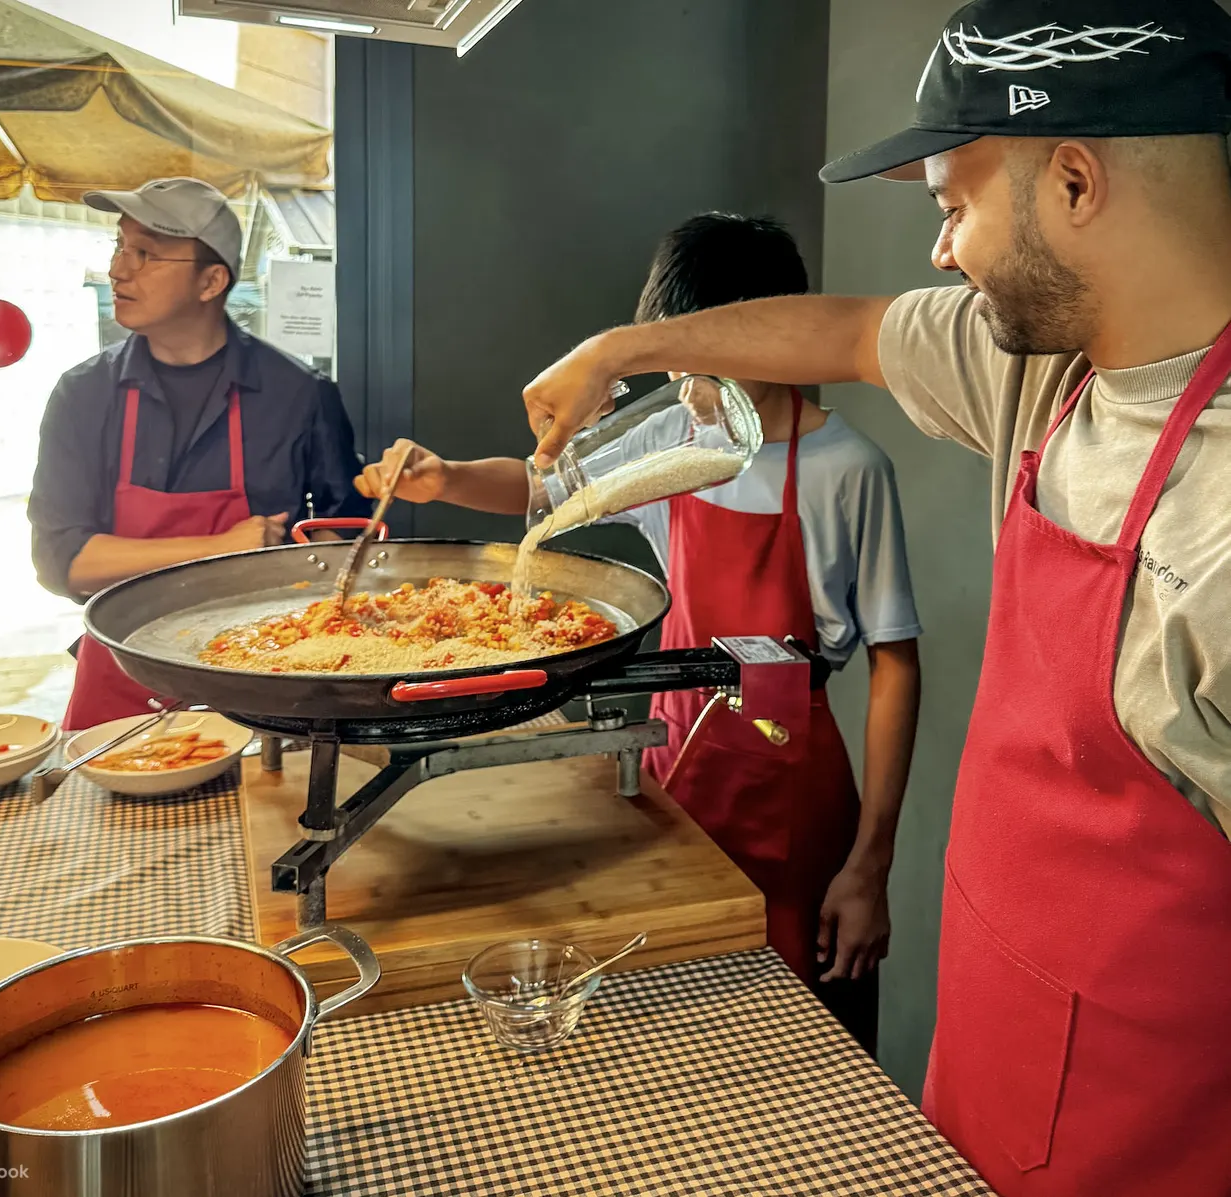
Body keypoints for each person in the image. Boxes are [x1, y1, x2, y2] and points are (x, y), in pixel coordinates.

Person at [515, 2, 1231, 1195]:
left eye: (951, 206)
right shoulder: (1049, 372)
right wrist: (617, 351)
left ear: (1071, 182)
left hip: (1141, 1124)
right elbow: (844, 331)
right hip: (988, 1047)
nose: (940, 252)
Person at [356, 213, 922, 1052]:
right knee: (670, 1001)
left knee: (796, 1024)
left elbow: (895, 667)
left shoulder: (848, 470)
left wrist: (869, 864)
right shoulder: (674, 440)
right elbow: (543, 490)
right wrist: (444, 479)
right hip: (671, 762)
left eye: (708, 362)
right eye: (675, 365)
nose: (691, 389)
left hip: (792, 783)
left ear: (773, 339)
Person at [27, 177, 370, 731]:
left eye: (145, 253)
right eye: (119, 245)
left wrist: (316, 563)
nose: (118, 269)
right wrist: (222, 550)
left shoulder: (299, 394)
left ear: (211, 280)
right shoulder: (84, 394)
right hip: (121, 679)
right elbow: (63, 562)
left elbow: (346, 539)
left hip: (263, 676)